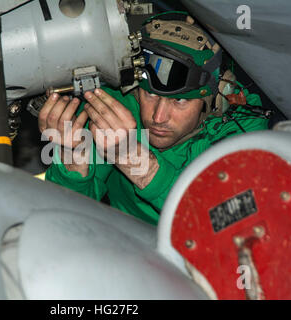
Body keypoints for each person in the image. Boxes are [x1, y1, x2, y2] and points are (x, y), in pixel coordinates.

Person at [38, 12, 269, 226]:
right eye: (149, 94)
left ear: (215, 100)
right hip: (128, 250)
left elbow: (231, 220)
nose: (158, 117)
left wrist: (132, 157)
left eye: (179, 101)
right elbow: (66, 217)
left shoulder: (243, 128)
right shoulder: (115, 109)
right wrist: (71, 160)